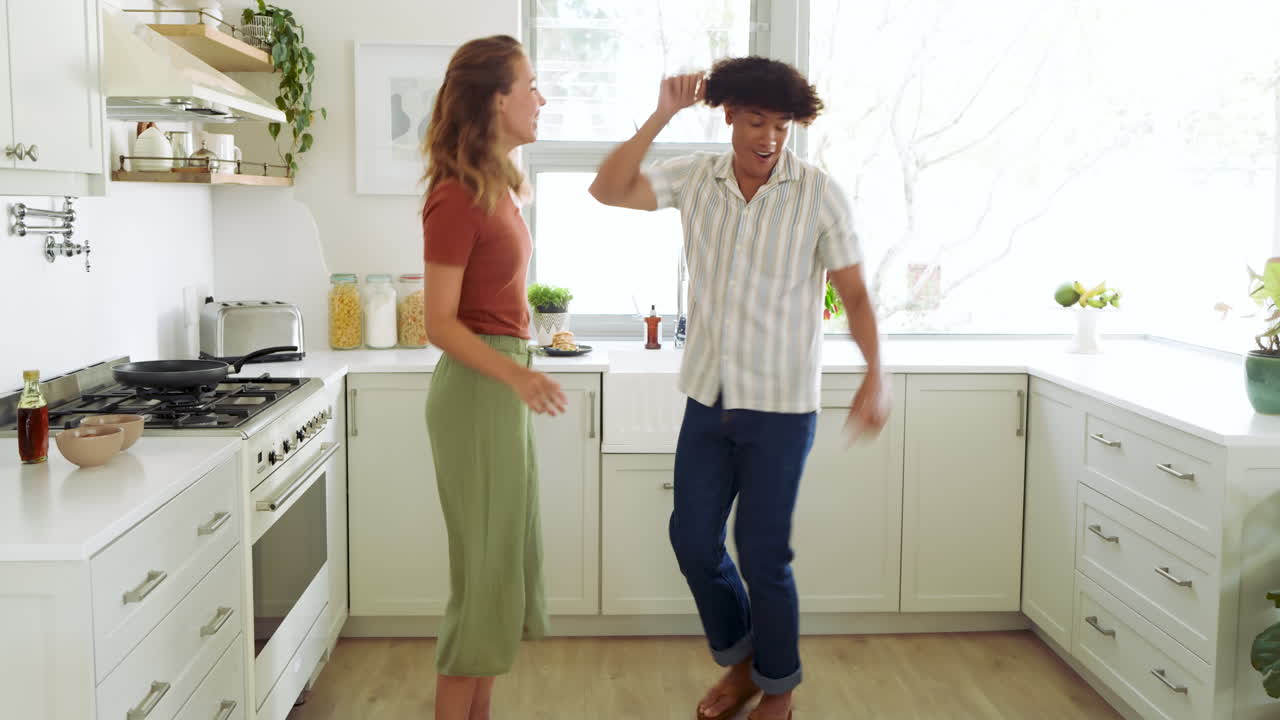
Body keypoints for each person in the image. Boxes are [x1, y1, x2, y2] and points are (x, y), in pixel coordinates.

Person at [588, 56, 890, 720]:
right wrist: (662, 114)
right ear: (729, 116)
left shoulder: (819, 194)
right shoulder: (696, 178)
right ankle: (747, 658)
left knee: (763, 555)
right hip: (708, 398)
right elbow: (606, 189)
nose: (769, 139)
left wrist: (877, 372)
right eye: (756, 122)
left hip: (781, 409)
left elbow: (856, 295)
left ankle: (777, 688)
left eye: (781, 126)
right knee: (693, 541)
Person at [421, 34, 566, 720]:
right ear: (497, 99)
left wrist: (520, 371)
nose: (542, 99)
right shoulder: (456, 196)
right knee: (482, 579)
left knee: (501, 565)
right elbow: (439, 322)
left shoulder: (496, 186)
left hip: (499, 386)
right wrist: (516, 376)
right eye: (531, 86)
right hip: (480, 392)